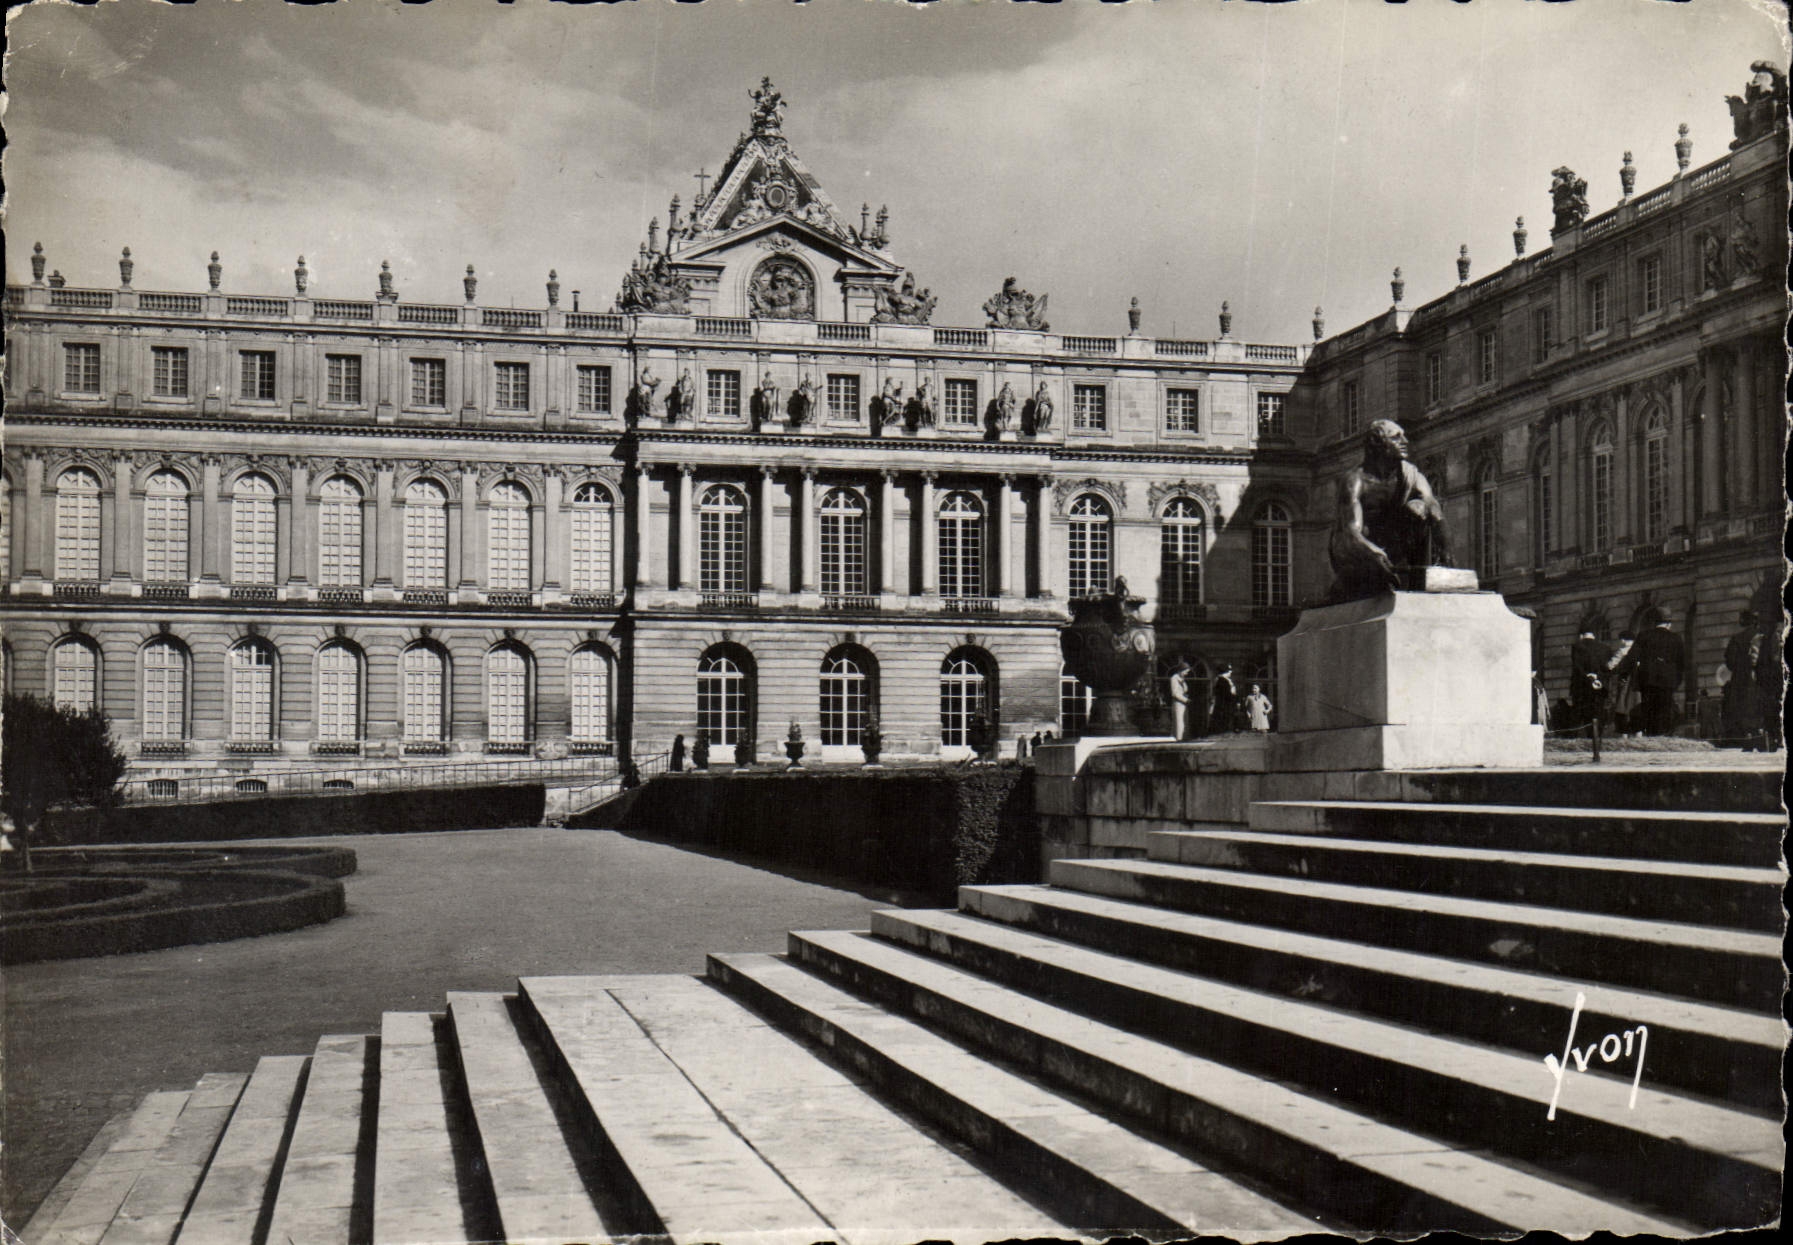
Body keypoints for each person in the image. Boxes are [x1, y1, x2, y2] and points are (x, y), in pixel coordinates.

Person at [1327, 419, 1451, 601]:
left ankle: (1416, 579)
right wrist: (1373, 553)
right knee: (1360, 541)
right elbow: (1351, 532)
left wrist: (1446, 551)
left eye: (1403, 436)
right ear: (1377, 443)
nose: (1405, 441)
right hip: (1359, 550)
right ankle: (1355, 581)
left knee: (1418, 507)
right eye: (1396, 438)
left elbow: (1433, 507)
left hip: (1393, 546)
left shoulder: (1410, 474)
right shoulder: (1355, 480)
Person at [1616, 608, 1686, 735]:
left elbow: (1632, 657)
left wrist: (1624, 674)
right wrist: (1677, 680)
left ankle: (1652, 734)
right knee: (1665, 708)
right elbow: (1682, 662)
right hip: (1668, 680)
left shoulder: (1644, 636)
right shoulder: (1676, 638)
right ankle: (1662, 735)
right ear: (1669, 623)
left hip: (1648, 679)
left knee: (1649, 708)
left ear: (1654, 622)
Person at [1721, 609, 1764, 748]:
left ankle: (1745, 737)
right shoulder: (1762, 638)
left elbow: (1730, 661)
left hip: (1740, 679)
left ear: (1743, 622)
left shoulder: (1736, 638)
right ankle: (1760, 735)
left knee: (1741, 707)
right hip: (1759, 678)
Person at [1569, 626, 1611, 731]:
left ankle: (1581, 737)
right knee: (1597, 712)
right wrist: (1597, 676)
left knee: (1581, 713)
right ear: (1594, 635)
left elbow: (1577, 666)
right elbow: (1608, 668)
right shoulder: (1605, 648)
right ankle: (1596, 738)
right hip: (1599, 685)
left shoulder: (1577, 646)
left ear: (1581, 636)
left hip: (1581, 686)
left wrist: (1588, 676)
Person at [1211, 663, 1239, 734]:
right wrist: (1233, 694)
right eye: (1229, 670)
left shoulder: (1222, 680)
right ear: (1225, 672)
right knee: (1224, 724)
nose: (1231, 672)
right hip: (1224, 707)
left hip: (1224, 706)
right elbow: (1226, 695)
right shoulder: (1223, 681)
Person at [1167, 659, 1191, 740]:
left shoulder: (1182, 679)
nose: (1186, 673)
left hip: (1183, 703)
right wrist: (1185, 700)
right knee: (1179, 722)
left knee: (1184, 722)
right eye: (1185, 671)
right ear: (1181, 670)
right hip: (1178, 703)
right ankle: (1178, 739)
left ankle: (1183, 738)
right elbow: (1175, 693)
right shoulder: (1174, 678)